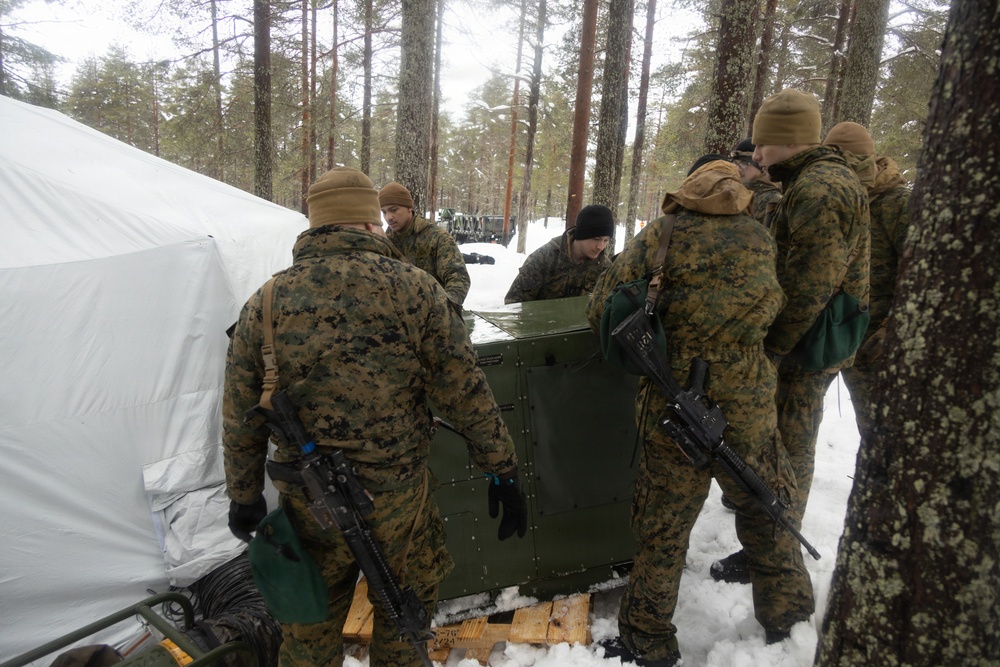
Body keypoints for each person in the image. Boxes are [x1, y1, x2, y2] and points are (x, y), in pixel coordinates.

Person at [223, 167, 527, 667]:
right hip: (399, 503)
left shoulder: (265, 303)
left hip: (308, 506)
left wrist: (243, 494)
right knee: (404, 625)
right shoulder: (416, 289)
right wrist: (501, 467)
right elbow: (465, 391)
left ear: (315, 227)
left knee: (307, 635)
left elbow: (240, 411)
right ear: (369, 223)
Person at [587, 158, 813, 666]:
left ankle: (646, 640)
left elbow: (603, 303)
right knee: (765, 503)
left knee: (662, 522)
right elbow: (779, 304)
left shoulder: (661, 233)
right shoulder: (758, 236)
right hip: (750, 396)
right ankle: (789, 619)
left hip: (675, 398)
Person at [711, 89, 870, 584]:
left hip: (805, 345)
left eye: (763, 145)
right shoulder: (811, 182)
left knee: (789, 447)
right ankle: (774, 547)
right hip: (803, 340)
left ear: (790, 141)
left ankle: (778, 554)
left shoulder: (822, 190)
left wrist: (771, 350)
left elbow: (809, 286)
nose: (755, 156)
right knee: (785, 444)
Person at [823, 121, 911, 441]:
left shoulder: (897, 203)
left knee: (881, 433)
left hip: (876, 343)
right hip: (835, 334)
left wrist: (890, 334)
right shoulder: (841, 197)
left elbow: (920, 277)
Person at [378, 181, 471, 308]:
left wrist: (443, 309)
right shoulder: (385, 242)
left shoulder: (436, 237)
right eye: (384, 212)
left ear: (409, 208)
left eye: (394, 210)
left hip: (434, 317)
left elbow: (458, 278)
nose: (389, 217)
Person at [504, 204, 614, 304]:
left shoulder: (605, 268)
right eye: (596, 239)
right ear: (581, 235)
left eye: (606, 240)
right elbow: (514, 304)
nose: (600, 246)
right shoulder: (543, 259)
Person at [730, 137, 782, 227]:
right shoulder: (736, 192)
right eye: (736, 163)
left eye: (743, 164)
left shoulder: (772, 199)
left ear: (760, 165)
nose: (738, 169)